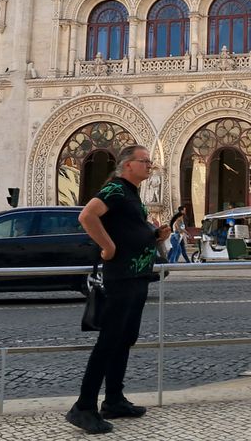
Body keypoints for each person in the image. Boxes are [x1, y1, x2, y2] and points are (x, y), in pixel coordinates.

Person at [66, 145, 170, 435]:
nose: (150, 165)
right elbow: (87, 216)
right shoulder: (114, 189)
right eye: (145, 161)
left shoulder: (131, 193)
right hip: (121, 277)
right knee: (109, 341)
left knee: (125, 338)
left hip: (137, 276)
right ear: (127, 165)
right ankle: (84, 407)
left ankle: (114, 399)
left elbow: (128, 228)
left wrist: (155, 235)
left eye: (150, 161)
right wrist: (107, 246)